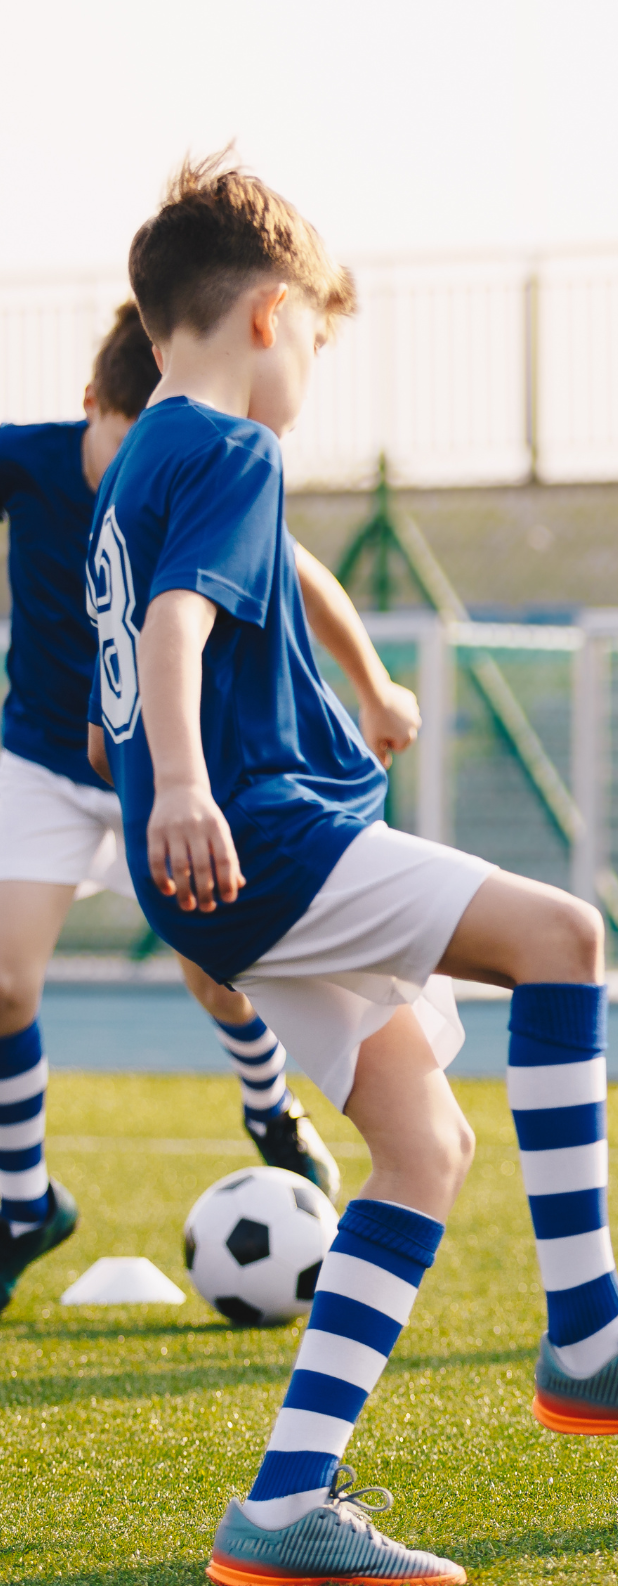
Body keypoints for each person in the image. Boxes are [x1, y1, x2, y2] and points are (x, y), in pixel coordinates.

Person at [87, 152, 618, 1586]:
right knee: (565, 936)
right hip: (270, 841)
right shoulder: (231, 445)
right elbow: (172, 631)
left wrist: (254, 743)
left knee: (424, 1149)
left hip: (226, 874)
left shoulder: (144, 456)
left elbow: (211, 612)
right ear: (274, 316)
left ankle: (287, 1502)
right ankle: (591, 1331)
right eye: (324, 346)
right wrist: (184, 785)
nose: (314, 378)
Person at [0, 301, 402, 1314]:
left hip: (156, 766)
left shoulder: (187, 469)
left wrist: (375, 685)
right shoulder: (32, 463)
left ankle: (268, 1108)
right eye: (113, 445)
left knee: (217, 978)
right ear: (89, 405)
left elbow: (295, 571)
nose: (125, 467)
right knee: (5, 985)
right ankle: (22, 1203)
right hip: (45, 757)